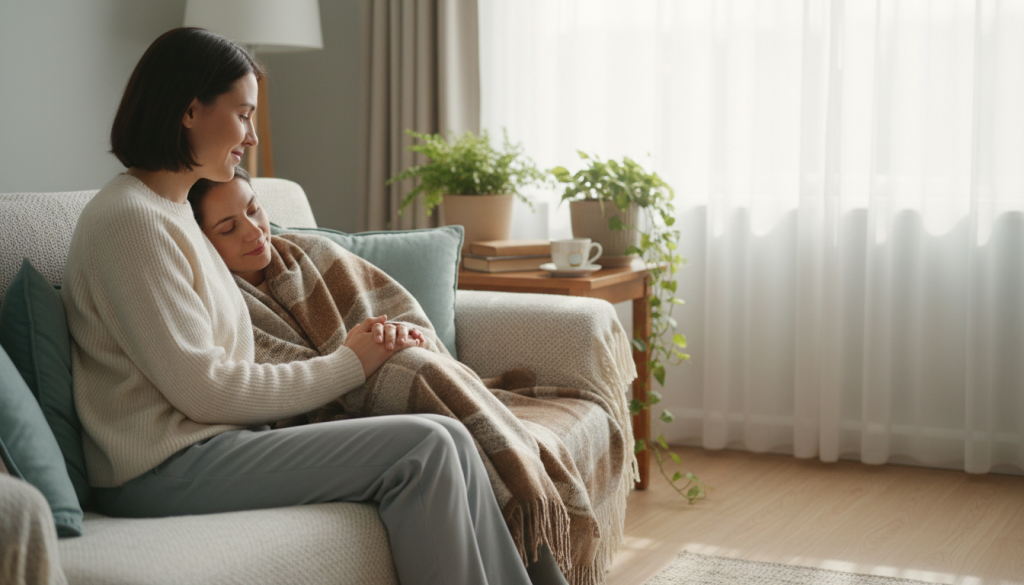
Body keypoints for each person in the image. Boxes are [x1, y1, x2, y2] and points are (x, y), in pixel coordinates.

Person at [61, 27, 534, 585]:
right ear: (190, 111)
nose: (252, 136)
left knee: (448, 433)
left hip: (215, 446)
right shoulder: (129, 222)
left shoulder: (172, 213)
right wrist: (348, 363)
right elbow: (205, 388)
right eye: (242, 114)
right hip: (157, 468)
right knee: (425, 444)